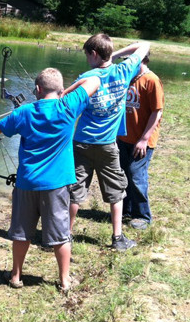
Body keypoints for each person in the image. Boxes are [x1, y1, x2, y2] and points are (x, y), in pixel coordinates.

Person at [0, 68, 101, 292]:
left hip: (27, 183)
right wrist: (64, 92)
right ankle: (65, 280)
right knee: (61, 235)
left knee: (22, 233)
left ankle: (16, 276)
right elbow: (94, 80)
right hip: (56, 186)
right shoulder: (68, 106)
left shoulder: (25, 112)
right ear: (58, 89)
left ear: (37, 89)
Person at [68, 34, 150, 251]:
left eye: (87, 55)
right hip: (107, 145)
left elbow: (68, 107)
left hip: (81, 142)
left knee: (75, 189)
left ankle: (64, 235)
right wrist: (116, 54)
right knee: (116, 191)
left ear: (94, 54)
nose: (87, 59)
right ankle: (117, 238)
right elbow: (144, 45)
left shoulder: (85, 77)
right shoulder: (124, 71)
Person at [117, 52, 164, 230]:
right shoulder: (127, 78)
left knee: (136, 175)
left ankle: (142, 215)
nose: (127, 64)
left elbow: (156, 111)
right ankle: (127, 210)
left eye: (130, 60)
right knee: (124, 174)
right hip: (124, 137)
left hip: (143, 140)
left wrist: (144, 139)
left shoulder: (151, 80)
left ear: (142, 60)